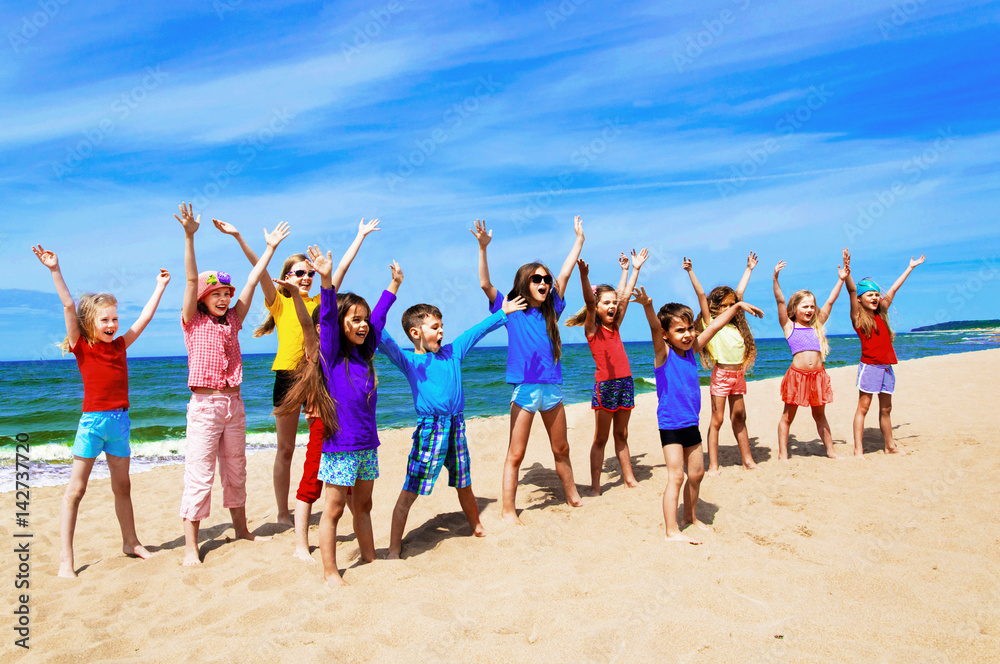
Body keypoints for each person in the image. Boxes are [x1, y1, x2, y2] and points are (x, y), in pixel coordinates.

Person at [214, 217, 380, 525]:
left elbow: (338, 270)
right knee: (286, 449)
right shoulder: (278, 300)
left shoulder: (320, 300)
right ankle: (282, 511)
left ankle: (339, 495)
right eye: (299, 273)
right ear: (287, 276)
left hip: (320, 378)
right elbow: (259, 270)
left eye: (309, 273)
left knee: (327, 440)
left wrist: (359, 236)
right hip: (288, 378)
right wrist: (246, 239)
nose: (306, 277)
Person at [32, 245, 169, 578]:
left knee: (123, 488)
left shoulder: (121, 345)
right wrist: (54, 269)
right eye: (105, 320)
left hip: (120, 423)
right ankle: (66, 558)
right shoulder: (83, 347)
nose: (112, 324)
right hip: (92, 424)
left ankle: (131, 542)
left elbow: (145, 319)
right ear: (88, 324)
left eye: (114, 319)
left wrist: (160, 287)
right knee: (76, 491)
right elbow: (68, 303)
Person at [175, 202, 287, 566]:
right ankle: (192, 544)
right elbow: (191, 280)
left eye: (226, 292)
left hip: (233, 404)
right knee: (200, 471)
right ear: (203, 299)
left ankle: (240, 528)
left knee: (236, 467)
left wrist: (268, 247)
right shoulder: (193, 321)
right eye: (216, 293)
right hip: (205, 406)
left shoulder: (233, 322)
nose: (223, 298)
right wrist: (190, 237)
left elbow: (254, 279)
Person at [379, 293, 528, 558]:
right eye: (435, 327)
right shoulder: (410, 362)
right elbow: (385, 341)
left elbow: (477, 332)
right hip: (430, 430)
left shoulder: (453, 352)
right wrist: (372, 317)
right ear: (415, 332)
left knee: (464, 481)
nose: (441, 331)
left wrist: (502, 313)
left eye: (441, 326)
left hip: (456, 427)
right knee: (410, 489)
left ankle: (477, 526)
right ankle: (393, 547)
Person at [472, 216, 585, 525]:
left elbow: (565, 272)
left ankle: (573, 495)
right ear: (525, 283)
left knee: (561, 447)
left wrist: (578, 241)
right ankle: (509, 510)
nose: (543, 284)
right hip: (525, 389)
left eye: (545, 280)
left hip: (552, 388)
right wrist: (483, 248)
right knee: (516, 453)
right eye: (537, 279)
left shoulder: (554, 310)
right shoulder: (511, 308)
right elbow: (485, 284)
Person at [632, 286, 764, 544]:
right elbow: (653, 329)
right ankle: (671, 531)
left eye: (690, 328)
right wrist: (648, 306)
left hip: (691, 422)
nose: (688, 334)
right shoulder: (664, 355)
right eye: (679, 330)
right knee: (676, 476)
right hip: (671, 425)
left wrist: (737, 307)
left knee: (697, 474)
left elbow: (713, 327)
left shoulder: (692, 353)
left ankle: (690, 517)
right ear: (667, 335)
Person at [307, 253, 400, 586]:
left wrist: (393, 285)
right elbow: (329, 319)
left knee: (364, 505)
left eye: (363, 320)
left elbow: (379, 318)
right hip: (341, 447)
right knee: (332, 510)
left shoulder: (365, 352)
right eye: (354, 320)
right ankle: (331, 572)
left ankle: (369, 557)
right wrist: (327, 281)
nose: (362, 325)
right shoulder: (330, 356)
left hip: (366, 446)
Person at [564, 249, 648, 495]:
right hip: (606, 386)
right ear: (597, 306)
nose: (612, 306)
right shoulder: (592, 329)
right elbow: (590, 303)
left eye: (613, 303)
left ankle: (629, 478)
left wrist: (632, 269)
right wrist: (583, 277)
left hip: (626, 383)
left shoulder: (616, 325)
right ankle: (596, 486)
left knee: (622, 434)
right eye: (606, 303)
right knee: (601, 438)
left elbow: (623, 298)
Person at [843, 248, 925, 456]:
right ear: (860, 300)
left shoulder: (882, 312)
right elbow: (852, 291)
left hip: (886, 367)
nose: (875, 297)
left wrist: (910, 268)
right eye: (870, 295)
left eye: (877, 294)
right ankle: (858, 449)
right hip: (869, 367)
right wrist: (847, 272)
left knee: (886, 409)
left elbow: (894, 290)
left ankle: (890, 447)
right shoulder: (859, 319)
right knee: (864, 407)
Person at [683, 253, 760, 474]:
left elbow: (741, 294)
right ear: (715, 308)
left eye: (732, 305)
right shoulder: (711, 324)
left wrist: (749, 269)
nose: (730, 309)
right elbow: (700, 295)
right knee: (717, 419)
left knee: (740, 417)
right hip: (722, 376)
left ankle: (747, 460)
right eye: (724, 306)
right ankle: (714, 464)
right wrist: (690, 271)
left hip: (738, 376)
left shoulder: (737, 324)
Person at [772, 258, 848, 461]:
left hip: (818, 376)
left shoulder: (817, 325)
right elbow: (780, 301)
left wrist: (841, 280)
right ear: (794, 308)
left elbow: (830, 301)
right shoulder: (789, 326)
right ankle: (783, 453)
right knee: (788, 416)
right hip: (797, 376)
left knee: (820, 416)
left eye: (812, 307)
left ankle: (831, 451)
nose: (810, 310)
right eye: (805, 306)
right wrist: (775, 278)